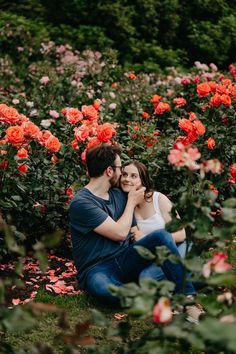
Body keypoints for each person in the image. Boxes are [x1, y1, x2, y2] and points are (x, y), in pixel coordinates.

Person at [69, 143, 198, 311]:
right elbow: (120, 234)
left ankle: (187, 296)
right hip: (97, 269)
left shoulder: (118, 194)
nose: (122, 174)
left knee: (162, 236)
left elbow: (142, 194)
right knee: (108, 292)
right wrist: (130, 202)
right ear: (109, 171)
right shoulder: (82, 203)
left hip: (126, 259)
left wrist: (156, 200)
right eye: (119, 168)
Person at [120, 160, 188, 281]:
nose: (126, 179)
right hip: (154, 256)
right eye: (124, 174)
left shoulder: (158, 199)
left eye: (133, 176)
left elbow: (181, 234)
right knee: (144, 278)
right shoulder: (126, 206)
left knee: (148, 277)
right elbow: (135, 238)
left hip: (177, 247)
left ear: (143, 180)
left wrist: (148, 237)